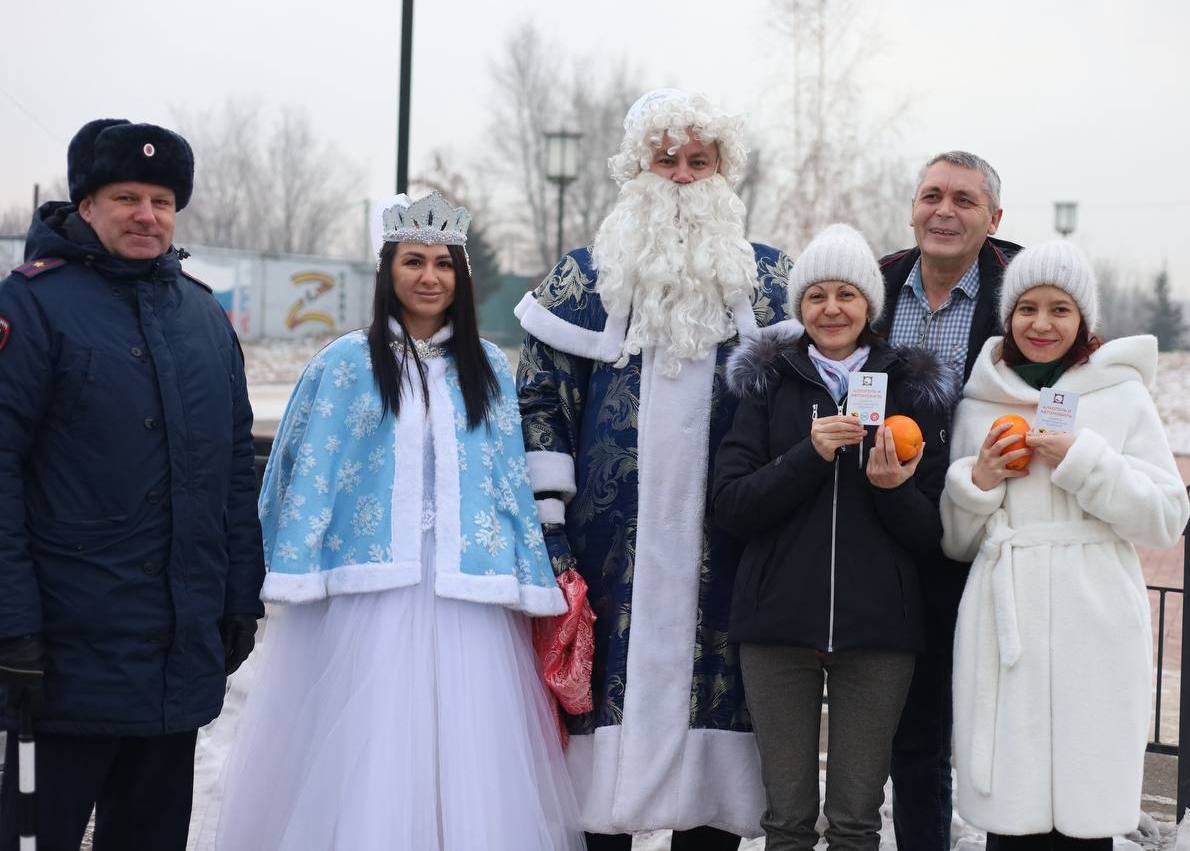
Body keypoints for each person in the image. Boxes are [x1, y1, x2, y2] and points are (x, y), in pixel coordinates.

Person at [215, 192, 584, 851]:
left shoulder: (491, 371)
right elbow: (305, 463)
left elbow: (507, 476)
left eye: (444, 263)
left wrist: (533, 575)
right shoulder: (343, 364)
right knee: (369, 743)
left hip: (466, 596)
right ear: (388, 271)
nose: (429, 276)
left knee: (468, 751)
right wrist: (280, 558)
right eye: (413, 261)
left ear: (460, 277)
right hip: (370, 593)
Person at [516, 88, 796, 850]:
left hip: (730, 562)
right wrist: (550, 531)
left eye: (697, 160)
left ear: (723, 173)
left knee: (714, 792)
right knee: (596, 788)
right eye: (664, 159)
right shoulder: (580, 282)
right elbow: (540, 402)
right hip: (606, 559)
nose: (679, 175)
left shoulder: (773, 286)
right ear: (636, 167)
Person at [0, 119, 264, 850]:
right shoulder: (30, 307)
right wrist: (10, 625)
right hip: (57, 663)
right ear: (85, 204)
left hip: (172, 659)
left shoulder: (206, 319)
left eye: (161, 200)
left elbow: (233, 473)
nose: (147, 215)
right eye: (126, 197)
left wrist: (241, 594)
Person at [940, 241, 1190, 848]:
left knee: (1088, 814)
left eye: (1060, 308)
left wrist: (1083, 459)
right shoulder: (980, 403)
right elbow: (958, 542)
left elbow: (1165, 517)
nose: (1042, 324)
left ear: (1084, 320)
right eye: (1027, 308)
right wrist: (979, 482)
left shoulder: (1120, 396)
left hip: (1095, 617)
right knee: (1010, 823)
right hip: (1007, 621)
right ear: (1008, 316)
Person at [714, 224, 954, 850]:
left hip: (878, 635)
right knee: (787, 819)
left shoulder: (909, 388)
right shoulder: (766, 384)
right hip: (776, 630)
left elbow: (932, 532)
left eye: (847, 294)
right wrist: (807, 455)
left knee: (855, 819)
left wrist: (891, 486)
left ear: (869, 305)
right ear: (799, 307)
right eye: (816, 295)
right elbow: (731, 505)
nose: (832, 308)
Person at [872, 150, 1022, 851]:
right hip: (889, 535)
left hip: (990, 533)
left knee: (1004, 727)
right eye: (932, 194)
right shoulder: (873, 286)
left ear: (993, 218)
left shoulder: (1020, 294)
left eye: (964, 200)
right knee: (916, 730)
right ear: (912, 207)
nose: (944, 210)